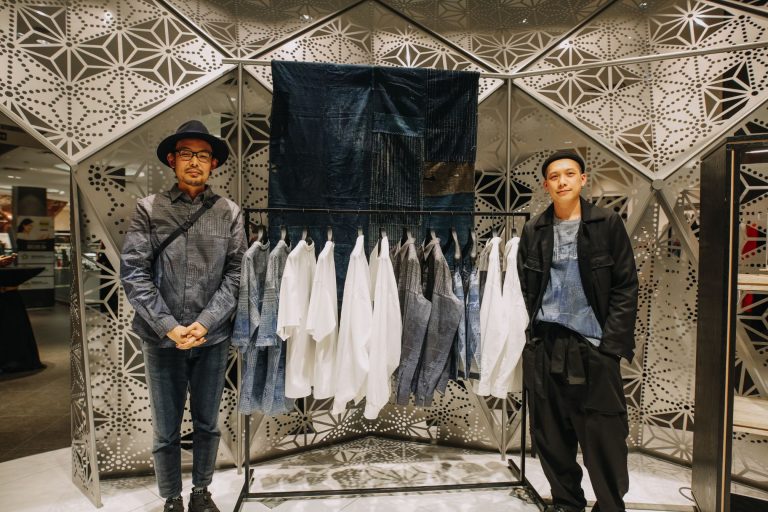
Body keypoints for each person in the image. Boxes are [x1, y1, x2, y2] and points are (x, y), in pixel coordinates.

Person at [120, 120, 246, 512]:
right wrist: (169, 326)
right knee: (165, 428)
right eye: (187, 154)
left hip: (212, 337)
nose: (195, 162)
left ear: (213, 163)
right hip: (161, 339)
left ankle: (201, 492)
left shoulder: (229, 212)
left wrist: (205, 322)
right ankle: (172, 497)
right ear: (173, 160)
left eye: (203, 155)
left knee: (208, 422)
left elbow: (237, 274)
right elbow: (134, 272)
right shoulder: (149, 209)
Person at [517, 150, 639, 512]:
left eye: (569, 174)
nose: (562, 181)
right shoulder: (534, 230)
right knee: (550, 433)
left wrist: (610, 347)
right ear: (546, 185)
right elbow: (524, 289)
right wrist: (530, 340)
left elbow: (626, 286)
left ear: (583, 180)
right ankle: (566, 503)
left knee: (604, 435)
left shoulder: (606, 224)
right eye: (554, 177)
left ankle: (610, 505)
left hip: (592, 345)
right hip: (547, 343)